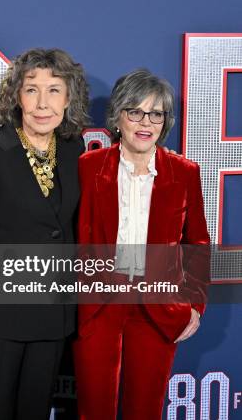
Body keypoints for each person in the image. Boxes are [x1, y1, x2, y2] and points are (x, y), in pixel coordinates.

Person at [0, 48, 89, 420]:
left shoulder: (77, 153)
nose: (42, 103)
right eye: (32, 90)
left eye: (54, 90)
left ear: (69, 98)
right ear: (16, 96)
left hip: (52, 316)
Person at [73, 69, 210, 419]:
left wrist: (195, 303)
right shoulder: (89, 167)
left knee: (145, 409)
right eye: (134, 111)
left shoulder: (184, 172)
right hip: (100, 304)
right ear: (118, 118)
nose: (145, 122)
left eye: (156, 113)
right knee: (94, 408)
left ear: (166, 121)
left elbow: (196, 241)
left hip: (157, 306)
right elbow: (58, 225)